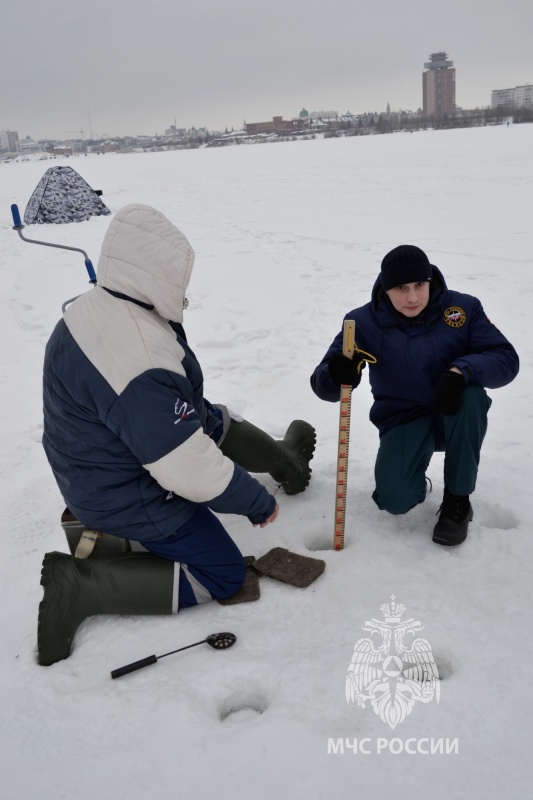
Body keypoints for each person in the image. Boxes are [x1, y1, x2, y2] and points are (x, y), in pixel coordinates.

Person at [38, 203, 316, 666]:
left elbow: (188, 420)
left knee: (204, 420)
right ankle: (83, 586)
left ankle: (284, 460)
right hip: (124, 492)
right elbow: (188, 468)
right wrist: (255, 501)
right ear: (157, 277)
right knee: (224, 573)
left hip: (101, 462)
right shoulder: (138, 354)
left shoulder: (98, 307)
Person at [310, 244, 519, 546]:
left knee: (472, 395)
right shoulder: (362, 323)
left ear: (430, 281)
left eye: (420, 285)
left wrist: (462, 371)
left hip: (455, 413)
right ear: (386, 287)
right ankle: (412, 472)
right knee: (395, 501)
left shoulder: (462, 309)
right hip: (403, 417)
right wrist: (336, 373)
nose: (412, 297)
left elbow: (506, 358)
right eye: (401, 288)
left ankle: (457, 499)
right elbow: (322, 385)